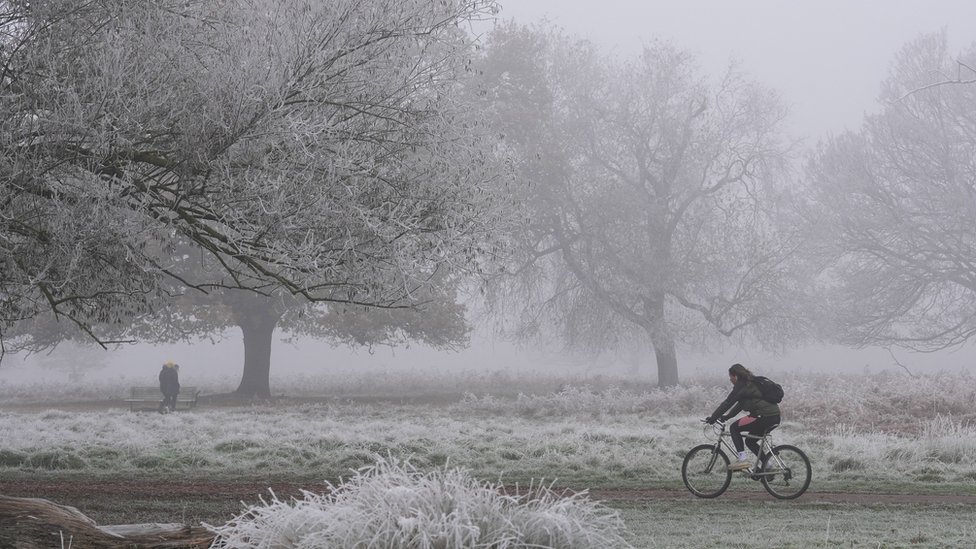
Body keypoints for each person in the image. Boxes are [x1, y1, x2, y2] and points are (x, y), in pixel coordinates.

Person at [704, 363, 780, 471]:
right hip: (774, 417)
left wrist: (713, 418)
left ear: (735, 375)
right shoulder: (750, 383)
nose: (730, 380)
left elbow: (728, 403)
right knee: (750, 441)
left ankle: (742, 459)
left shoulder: (741, 385)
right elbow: (740, 404)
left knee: (734, 428)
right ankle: (768, 466)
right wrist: (727, 417)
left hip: (763, 417)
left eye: (730, 377)